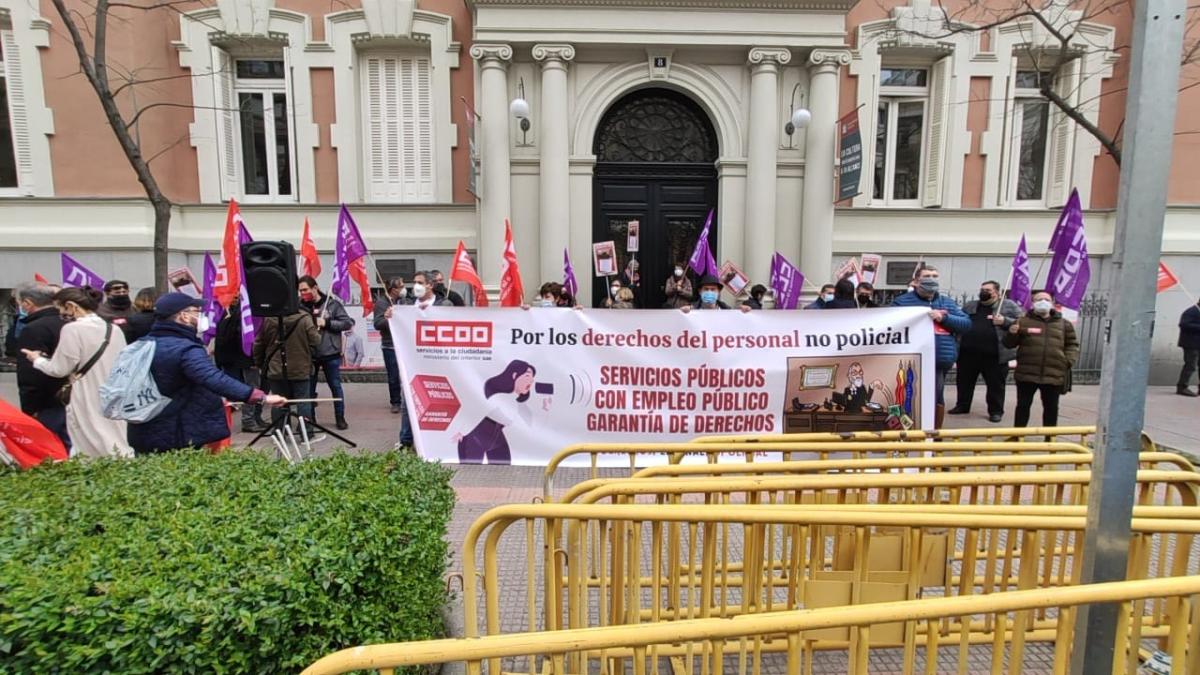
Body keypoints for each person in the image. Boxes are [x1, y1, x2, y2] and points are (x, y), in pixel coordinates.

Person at [126, 293, 286, 455]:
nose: (201, 316)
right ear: (184, 316)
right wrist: (259, 397)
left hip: (145, 426)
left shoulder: (141, 345)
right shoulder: (185, 349)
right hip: (177, 432)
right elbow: (212, 378)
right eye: (197, 311)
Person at [22, 286, 132, 458]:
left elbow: (59, 369)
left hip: (86, 392)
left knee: (88, 442)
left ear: (71, 306)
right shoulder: (113, 329)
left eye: (60, 308)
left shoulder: (72, 329)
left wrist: (37, 360)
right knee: (115, 438)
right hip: (113, 392)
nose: (60, 313)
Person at [891, 265, 970, 429]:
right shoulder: (902, 302)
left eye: (935, 276)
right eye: (927, 276)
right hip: (909, 359)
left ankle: (934, 433)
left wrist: (944, 319)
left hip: (937, 361)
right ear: (916, 281)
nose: (932, 279)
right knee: (907, 395)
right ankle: (907, 429)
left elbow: (966, 324)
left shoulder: (947, 303)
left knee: (935, 396)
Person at [1003, 290, 1079, 428]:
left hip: (1053, 373)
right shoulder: (1022, 321)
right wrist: (1012, 333)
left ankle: (1049, 437)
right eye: (1039, 300)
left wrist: (1067, 361)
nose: (1043, 302)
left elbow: (1072, 344)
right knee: (1023, 406)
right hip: (1027, 373)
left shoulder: (1064, 324)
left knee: (1051, 408)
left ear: (1052, 303)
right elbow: (1009, 344)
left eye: (1046, 299)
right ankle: (1017, 435)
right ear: (1033, 303)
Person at [950, 280, 1024, 422]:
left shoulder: (1009, 306)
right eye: (982, 289)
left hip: (995, 355)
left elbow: (1021, 322)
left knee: (995, 386)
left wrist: (1005, 321)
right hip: (968, 354)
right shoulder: (970, 305)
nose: (984, 292)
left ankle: (995, 411)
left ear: (997, 293)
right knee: (964, 382)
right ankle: (962, 405)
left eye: (988, 290)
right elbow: (960, 321)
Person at [453, 359, 550, 464]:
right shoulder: (500, 397)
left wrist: (545, 408)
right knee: (470, 472)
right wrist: (462, 431)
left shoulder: (518, 405)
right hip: (473, 440)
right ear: (514, 375)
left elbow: (533, 428)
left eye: (532, 378)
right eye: (527, 376)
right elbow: (477, 413)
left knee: (504, 468)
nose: (531, 381)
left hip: (496, 441)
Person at [13, 282, 69, 447]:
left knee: (53, 448)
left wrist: (30, 408)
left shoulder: (34, 329)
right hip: (76, 397)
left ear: (28, 303)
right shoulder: (70, 323)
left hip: (48, 402)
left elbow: (31, 375)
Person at [298, 276, 354, 430]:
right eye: (300, 291)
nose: (303, 293)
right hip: (309, 354)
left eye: (305, 290)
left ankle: (340, 417)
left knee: (335, 386)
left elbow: (347, 323)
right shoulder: (300, 306)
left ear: (315, 288)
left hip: (330, 353)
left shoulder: (332, 304)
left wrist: (327, 323)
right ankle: (310, 419)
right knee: (309, 389)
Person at [253, 305, 321, 427]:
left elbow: (258, 344)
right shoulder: (304, 318)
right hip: (300, 367)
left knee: (278, 401)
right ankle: (306, 431)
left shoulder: (268, 320)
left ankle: (280, 430)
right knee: (303, 401)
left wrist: (260, 364)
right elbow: (316, 341)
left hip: (276, 368)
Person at [214, 299, 269, 433]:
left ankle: (255, 418)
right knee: (253, 388)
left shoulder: (232, 316)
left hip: (239, 359)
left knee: (255, 388)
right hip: (248, 359)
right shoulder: (246, 317)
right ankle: (249, 420)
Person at [374, 277, 408, 414]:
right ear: (393, 290)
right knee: (393, 376)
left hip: (405, 345)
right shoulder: (381, 303)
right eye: (401, 286)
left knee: (406, 376)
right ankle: (395, 402)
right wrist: (390, 318)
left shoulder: (404, 301)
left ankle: (408, 401)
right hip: (390, 345)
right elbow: (377, 324)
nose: (404, 288)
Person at [682, 275, 752, 312]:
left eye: (713, 289)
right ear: (700, 291)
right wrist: (683, 313)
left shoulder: (726, 311)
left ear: (718, 292)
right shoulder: (691, 310)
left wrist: (741, 312)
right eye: (706, 289)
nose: (709, 292)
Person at [1177, 299, 1200, 396]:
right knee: (1191, 365)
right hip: (1191, 344)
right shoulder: (1192, 311)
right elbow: (1183, 324)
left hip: (1198, 343)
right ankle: (1182, 387)